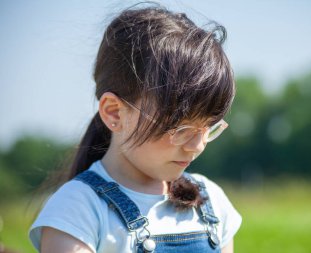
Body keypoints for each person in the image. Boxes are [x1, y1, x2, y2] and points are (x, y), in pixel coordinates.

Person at [29, 4, 242, 253]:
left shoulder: (211, 202)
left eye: (207, 127)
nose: (197, 145)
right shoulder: (77, 210)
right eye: (180, 128)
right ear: (114, 112)